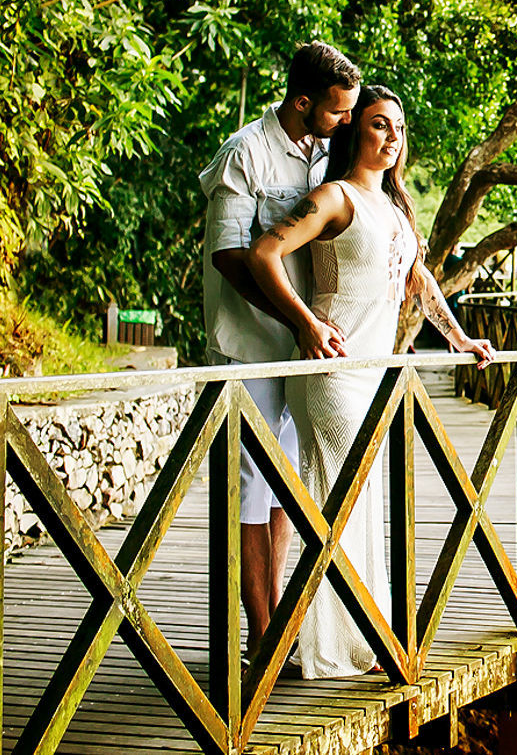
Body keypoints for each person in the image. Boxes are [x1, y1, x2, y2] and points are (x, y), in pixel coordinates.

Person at [247, 85, 494, 677]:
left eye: (399, 129)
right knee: (338, 505)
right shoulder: (333, 197)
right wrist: (305, 322)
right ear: (356, 130)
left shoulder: (396, 208)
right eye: (379, 125)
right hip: (333, 375)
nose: (391, 137)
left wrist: (457, 337)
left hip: (375, 374)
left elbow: (418, 279)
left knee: (358, 505)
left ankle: (359, 632)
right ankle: (318, 641)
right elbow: (264, 254)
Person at [201, 41, 361, 650]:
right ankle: (261, 635)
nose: (346, 121)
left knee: (285, 486)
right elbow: (229, 256)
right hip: (247, 344)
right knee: (248, 485)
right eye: (338, 111)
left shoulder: (326, 158)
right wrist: (296, 320)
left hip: (306, 345)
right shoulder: (246, 152)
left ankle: (280, 631)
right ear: (302, 101)